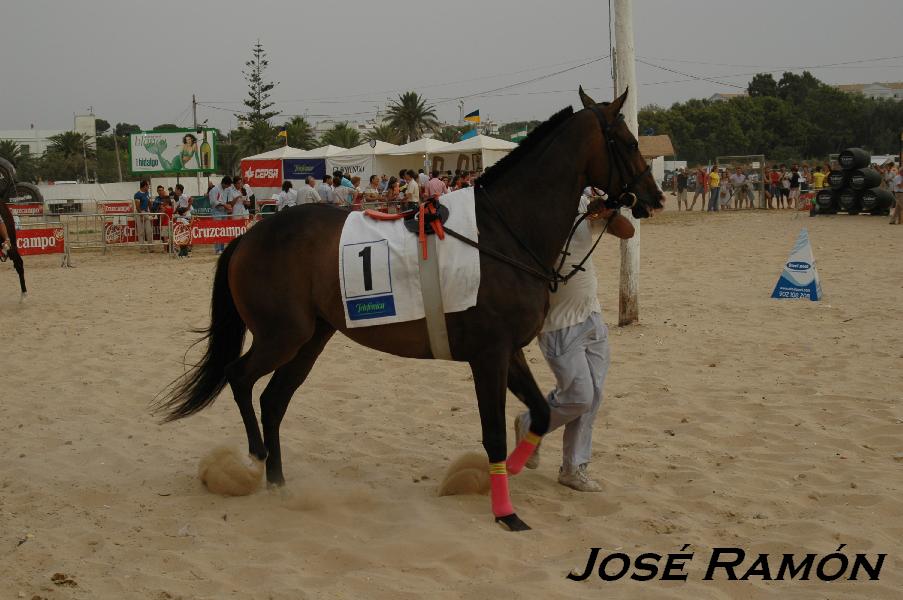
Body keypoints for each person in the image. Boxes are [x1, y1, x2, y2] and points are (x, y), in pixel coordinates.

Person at [513, 189, 635, 492]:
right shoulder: (530, 207)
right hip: (557, 324)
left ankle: (573, 469)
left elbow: (627, 232)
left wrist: (608, 213)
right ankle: (531, 423)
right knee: (579, 397)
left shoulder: (584, 200)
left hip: (592, 314)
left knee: (592, 398)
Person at [210, 176, 233, 255]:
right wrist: (224, 205)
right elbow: (213, 202)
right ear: (224, 183)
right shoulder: (215, 189)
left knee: (223, 230)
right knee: (217, 230)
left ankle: (222, 248)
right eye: (227, 185)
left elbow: (227, 200)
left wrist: (228, 206)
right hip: (216, 211)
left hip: (224, 211)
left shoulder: (227, 189)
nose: (228, 187)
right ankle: (217, 249)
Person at [133, 180, 155, 252]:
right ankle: (142, 248)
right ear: (144, 186)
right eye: (148, 185)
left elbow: (149, 203)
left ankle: (150, 247)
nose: (149, 187)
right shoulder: (137, 194)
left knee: (149, 231)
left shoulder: (147, 193)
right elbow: (137, 207)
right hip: (140, 213)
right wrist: (141, 215)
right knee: (141, 232)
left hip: (146, 212)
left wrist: (152, 212)